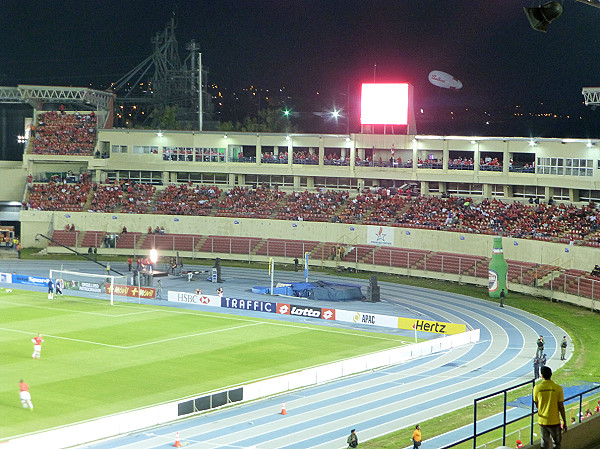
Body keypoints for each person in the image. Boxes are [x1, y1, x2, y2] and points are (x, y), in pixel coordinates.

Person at [533, 366, 567, 449]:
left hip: (543, 421)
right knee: (557, 443)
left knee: (544, 444)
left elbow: (536, 404)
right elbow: (561, 407)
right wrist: (564, 422)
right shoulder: (558, 388)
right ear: (551, 375)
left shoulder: (537, 388)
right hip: (554, 421)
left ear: (541, 375)